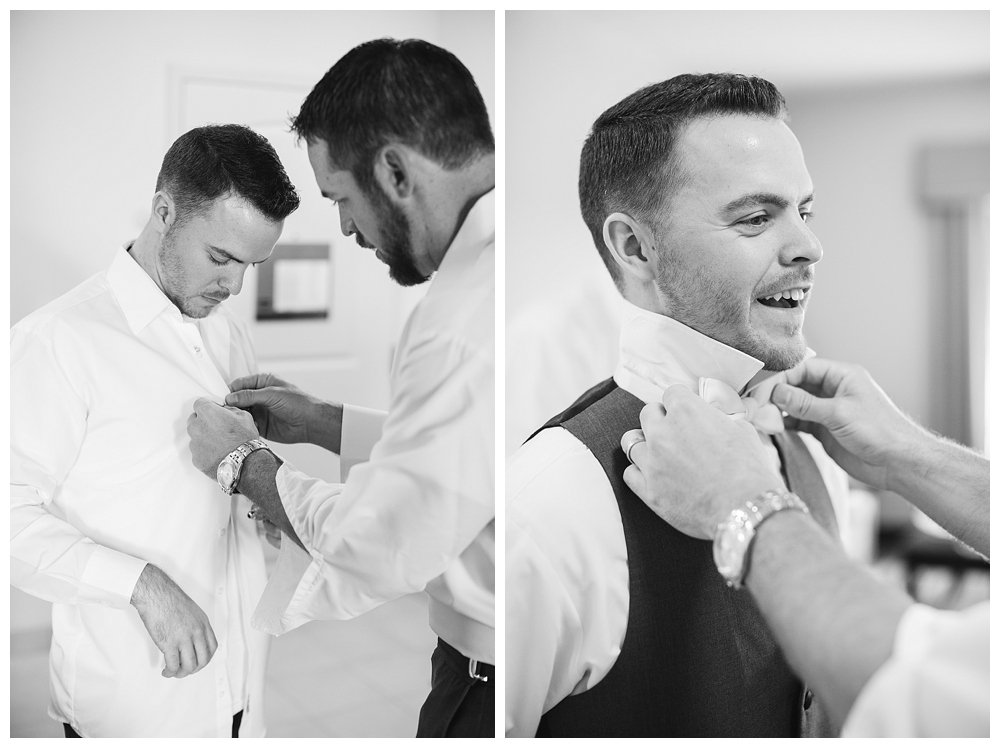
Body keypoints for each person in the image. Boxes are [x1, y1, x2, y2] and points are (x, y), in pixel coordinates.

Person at [505, 73, 852, 737]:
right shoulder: (548, 506)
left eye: (803, 211)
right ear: (634, 246)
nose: (810, 247)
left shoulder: (821, 450)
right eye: (756, 217)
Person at [185, 38, 495, 738]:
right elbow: (478, 458)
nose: (349, 229)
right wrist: (326, 422)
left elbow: (380, 543)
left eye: (342, 199)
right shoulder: (513, 271)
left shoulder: (456, 322)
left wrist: (245, 464)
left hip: (492, 681)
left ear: (394, 171)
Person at [10, 124, 300, 737]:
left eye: (252, 265)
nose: (235, 287)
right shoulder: (58, 343)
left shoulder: (226, 332)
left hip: (240, 689)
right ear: (164, 212)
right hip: (133, 703)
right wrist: (141, 585)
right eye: (221, 259)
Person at [621, 357, 989, 737]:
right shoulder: (570, 478)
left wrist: (743, 497)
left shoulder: (812, 456)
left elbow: (910, 693)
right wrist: (909, 454)